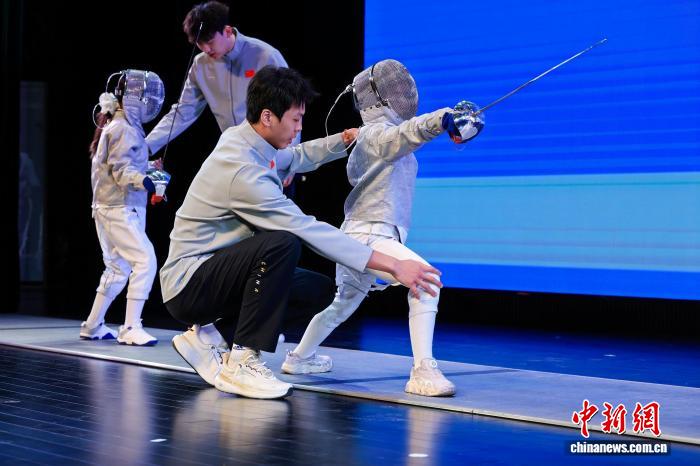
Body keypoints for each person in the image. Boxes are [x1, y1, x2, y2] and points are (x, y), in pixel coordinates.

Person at [161, 65, 442, 399]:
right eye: (295, 120)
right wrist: (392, 264)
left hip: (213, 272)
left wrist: (342, 141)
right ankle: (242, 361)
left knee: (316, 290)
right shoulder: (243, 171)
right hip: (188, 283)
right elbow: (307, 229)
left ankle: (211, 339)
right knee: (281, 244)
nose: (298, 128)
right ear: (268, 117)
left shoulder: (246, 140)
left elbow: (294, 157)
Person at [281, 59, 485, 397]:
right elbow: (405, 134)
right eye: (397, 88)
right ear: (379, 98)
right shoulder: (377, 134)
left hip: (360, 235)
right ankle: (423, 371)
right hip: (369, 235)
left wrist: (449, 127)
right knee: (425, 281)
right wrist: (443, 119)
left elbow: (405, 138)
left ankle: (299, 357)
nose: (404, 93)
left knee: (341, 305)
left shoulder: (372, 136)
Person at [80, 69, 167, 346]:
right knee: (145, 261)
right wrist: (145, 180)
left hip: (109, 207)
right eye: (145, 97)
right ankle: (130, 327)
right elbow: (121, 172)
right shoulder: (122, 128)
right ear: (131, 99)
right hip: (119, 208)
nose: (149, 103)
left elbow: (120, 163)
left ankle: (93, 325)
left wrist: (147, 167)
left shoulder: (119, 126)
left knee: (117, 268)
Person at [145, 0, 292, 157]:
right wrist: (145, 146)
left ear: (227, 31)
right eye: (200, 43)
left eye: (210, 42)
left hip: (272, 152)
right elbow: (183, 112)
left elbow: (291, 106)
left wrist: (288, 157)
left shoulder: (266, 56)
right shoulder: (200, 65)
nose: (206, 49)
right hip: (234, 152)